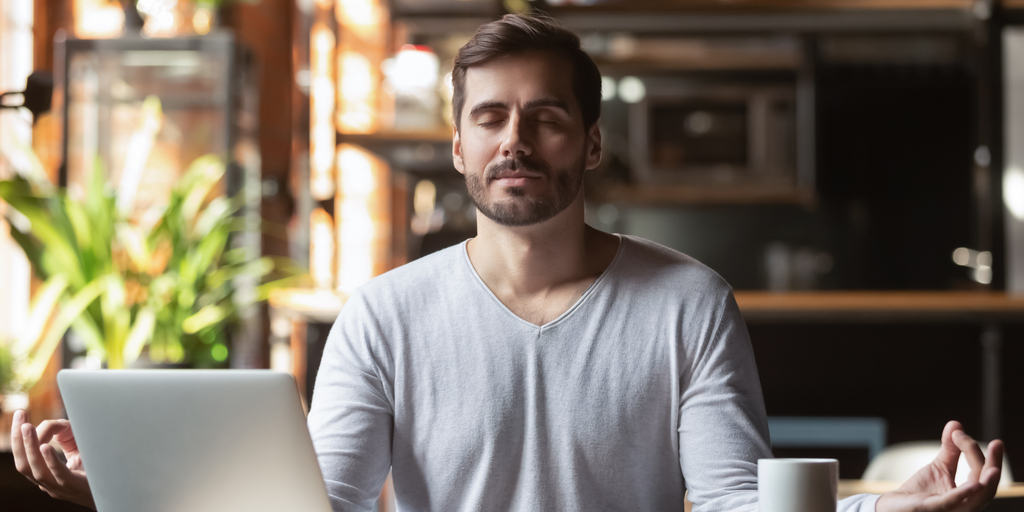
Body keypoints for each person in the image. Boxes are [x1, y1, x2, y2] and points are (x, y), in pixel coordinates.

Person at [11, 13, 1004, 512]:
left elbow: (734, 504)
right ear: (457, 147)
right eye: (488, 117)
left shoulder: (689, 302)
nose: (514, 140)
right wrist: (134, 489)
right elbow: (326, 505)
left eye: (545, 117)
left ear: (592, 143)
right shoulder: (383, 312)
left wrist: (892, 503)